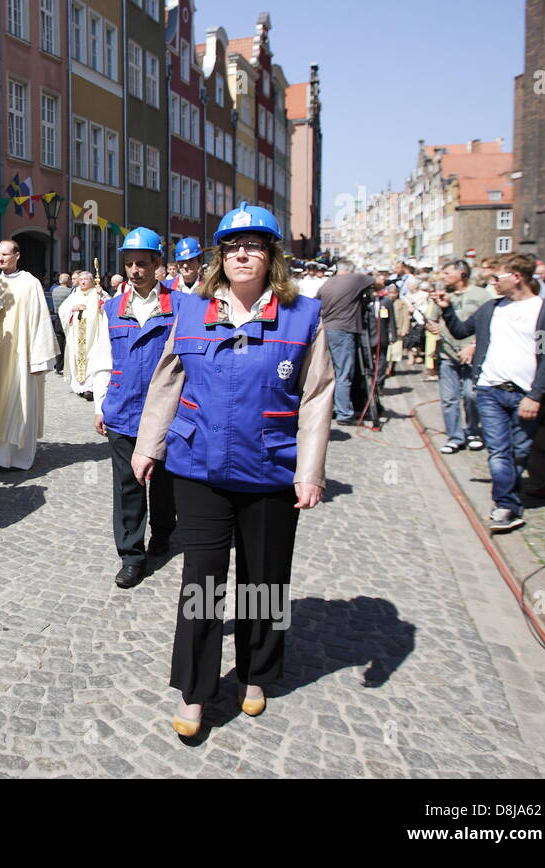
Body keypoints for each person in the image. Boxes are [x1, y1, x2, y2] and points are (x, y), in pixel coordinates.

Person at [131, 203, 335, 738]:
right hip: (199, 469)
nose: (244, 254)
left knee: (263, 581)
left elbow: (316, 398)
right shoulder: (193, 310)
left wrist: (309, 472)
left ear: (272, 258)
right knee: (202, 582)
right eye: (234, 246)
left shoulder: (302, 316)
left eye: (256, 246)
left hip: (270, 469)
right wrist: (148, 445)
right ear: (222, 256)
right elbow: (168, 381)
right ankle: (196, 691)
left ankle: (254, 673)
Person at [432, 253, 545, 533]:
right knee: (498, 452)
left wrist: (535, 395)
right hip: (490, 390)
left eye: (497, 277)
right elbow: (460, 331)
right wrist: (446, 310)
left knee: (519, 452)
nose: (493, 282)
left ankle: (511, 500)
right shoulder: (491, 308)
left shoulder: (543, 313)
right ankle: (504, 504)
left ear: (517, 278)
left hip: (523, 394)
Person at [84, 228, 180, 589]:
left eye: (142, 263)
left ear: (158, 265)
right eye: (129, 264)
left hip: (167, 413)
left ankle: (164, 531)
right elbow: (101, 359)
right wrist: (99, 405)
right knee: (128, 485)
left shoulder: (180, 307)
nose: (135, 270)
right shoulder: (112, 308)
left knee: (165, 482)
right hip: (123, 409)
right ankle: (131, 554)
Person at [0, 239, 58, 471]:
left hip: (20, 352)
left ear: (17, 255)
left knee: (19, 402)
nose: (0, 259)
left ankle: (16, 458)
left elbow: (39, 320)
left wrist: (39, 357)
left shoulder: (30, 283)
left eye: (5, 254)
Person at [424, 260, 489, 453]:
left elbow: (488, 325)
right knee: (449, 398)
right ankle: (455, 436)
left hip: (472, 354)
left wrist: (474, 346)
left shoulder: (481, 295)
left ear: (461, 274)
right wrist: (431, 325)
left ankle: (473, 432)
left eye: (446, 273)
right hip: (447, 353)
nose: (443, 277)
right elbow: (431, 318)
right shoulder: (443, 295)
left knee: (471, 395)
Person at [317, 260, 374, 426]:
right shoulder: (355, 279)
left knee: (330, 372)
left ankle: (331, 408)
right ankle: (344, 413)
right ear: (350, 269)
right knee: (344, 373)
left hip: (327, 330)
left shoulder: (327, 283)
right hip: (344, 330)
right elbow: (377, 282)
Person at [59, 268, 107, 399]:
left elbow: (109, 306)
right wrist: (73, 309)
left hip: (93, 336)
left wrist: (102, 295)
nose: (83, 282)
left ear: (92, 281)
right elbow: (62, 310)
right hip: (77, 337)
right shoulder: (75, 295)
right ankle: (79, 386)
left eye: (86, 279)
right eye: (81, 280)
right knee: (77, 359)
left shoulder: (96, 293)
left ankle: (90, 388)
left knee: (92, 359)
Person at [49, 272, 73, 375]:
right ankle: (64, 365)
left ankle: (57, 365)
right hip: (66, 318)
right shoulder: (70, 291)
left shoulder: (54, 291)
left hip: (57, 318)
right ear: (67, 281)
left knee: (59, 342)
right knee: (65, 343)